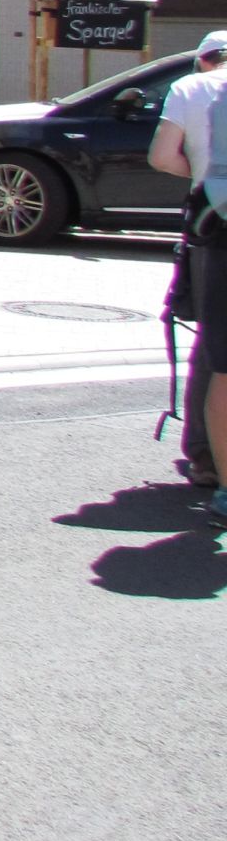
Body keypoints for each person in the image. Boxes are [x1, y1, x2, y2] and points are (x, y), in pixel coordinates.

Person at [145, 29, 227, 496]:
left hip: (212, 223)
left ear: (203, 59)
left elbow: (161, 156)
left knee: (214, 345)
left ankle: (206, 456)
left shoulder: (190, 88)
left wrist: (201, 172)